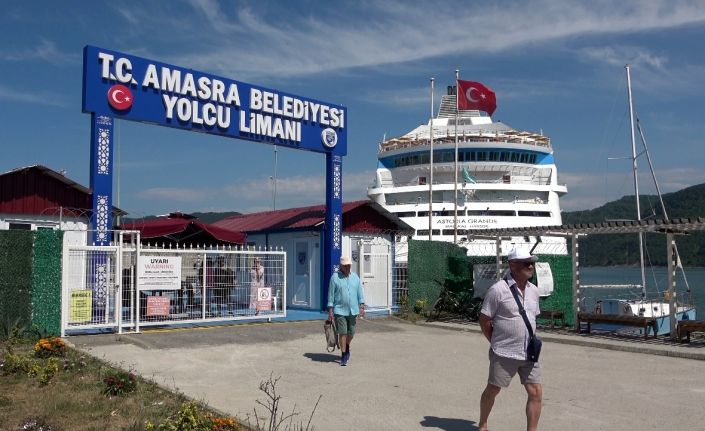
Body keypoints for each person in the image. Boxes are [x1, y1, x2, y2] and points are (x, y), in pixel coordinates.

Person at [478, 248, 542, 431]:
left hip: (529, 352)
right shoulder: (498, 290)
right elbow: (484, 320)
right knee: (493, 389)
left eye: (532, 263)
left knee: (535, 392)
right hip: (504, 352)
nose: (531, 266)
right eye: (526, 263)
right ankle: (483, 424)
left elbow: (532, 317)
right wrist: (495, 341)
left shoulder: (534, 291)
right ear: (513, 265)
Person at [327, 255, 365, 366]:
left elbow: (360, 293)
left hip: (353, 310)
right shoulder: (335, 278)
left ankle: (346, 346)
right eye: (346, 266)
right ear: (341, 266)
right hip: (339, 310)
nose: (348, 267)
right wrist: (330, 310)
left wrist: (362, 306)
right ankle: (344, 355)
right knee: (342, 332)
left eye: (349, 265)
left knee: (351, 332)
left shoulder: (355, 277)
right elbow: (331, 295)